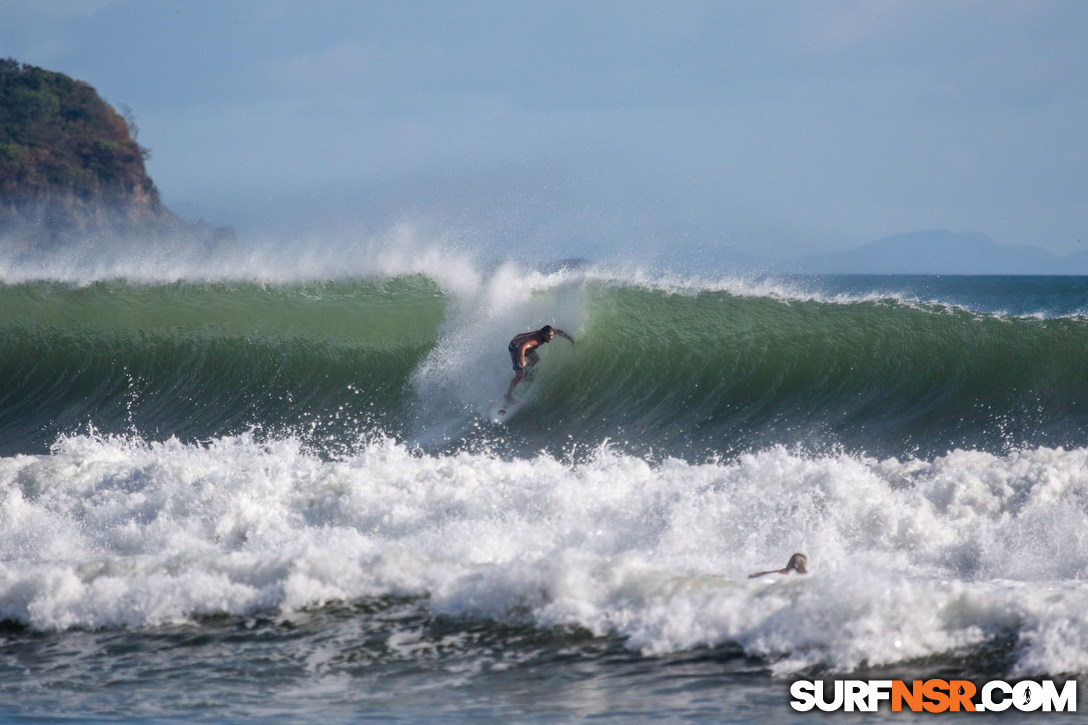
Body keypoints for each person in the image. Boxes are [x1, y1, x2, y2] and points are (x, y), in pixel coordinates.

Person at [504, 325, 574, 404]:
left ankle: (526, 374)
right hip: (515, 347)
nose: (550, 338)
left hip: (520, 340)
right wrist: (522, 359)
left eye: (551, 336)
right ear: (543, 334)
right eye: (548, 336)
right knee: (519, 374)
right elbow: (522, 347)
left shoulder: (549, 332)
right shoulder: (535, 341)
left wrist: (569, 338)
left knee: (535, 359)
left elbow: (559, 331)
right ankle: (508, 395)